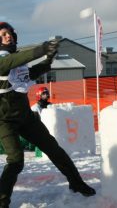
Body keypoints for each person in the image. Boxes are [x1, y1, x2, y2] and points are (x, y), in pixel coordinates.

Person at [0, 22, 95, 208]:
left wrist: (48, 60)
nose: (7, 36)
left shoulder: (16, 59)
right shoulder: (3, 60)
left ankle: (76, 183)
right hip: (4, 120)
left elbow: (31, 73)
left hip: (25, 116)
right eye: (2, 34)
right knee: (16, 160)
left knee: (53, 148)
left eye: (9, 33)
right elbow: (10, 62)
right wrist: (43, 49)